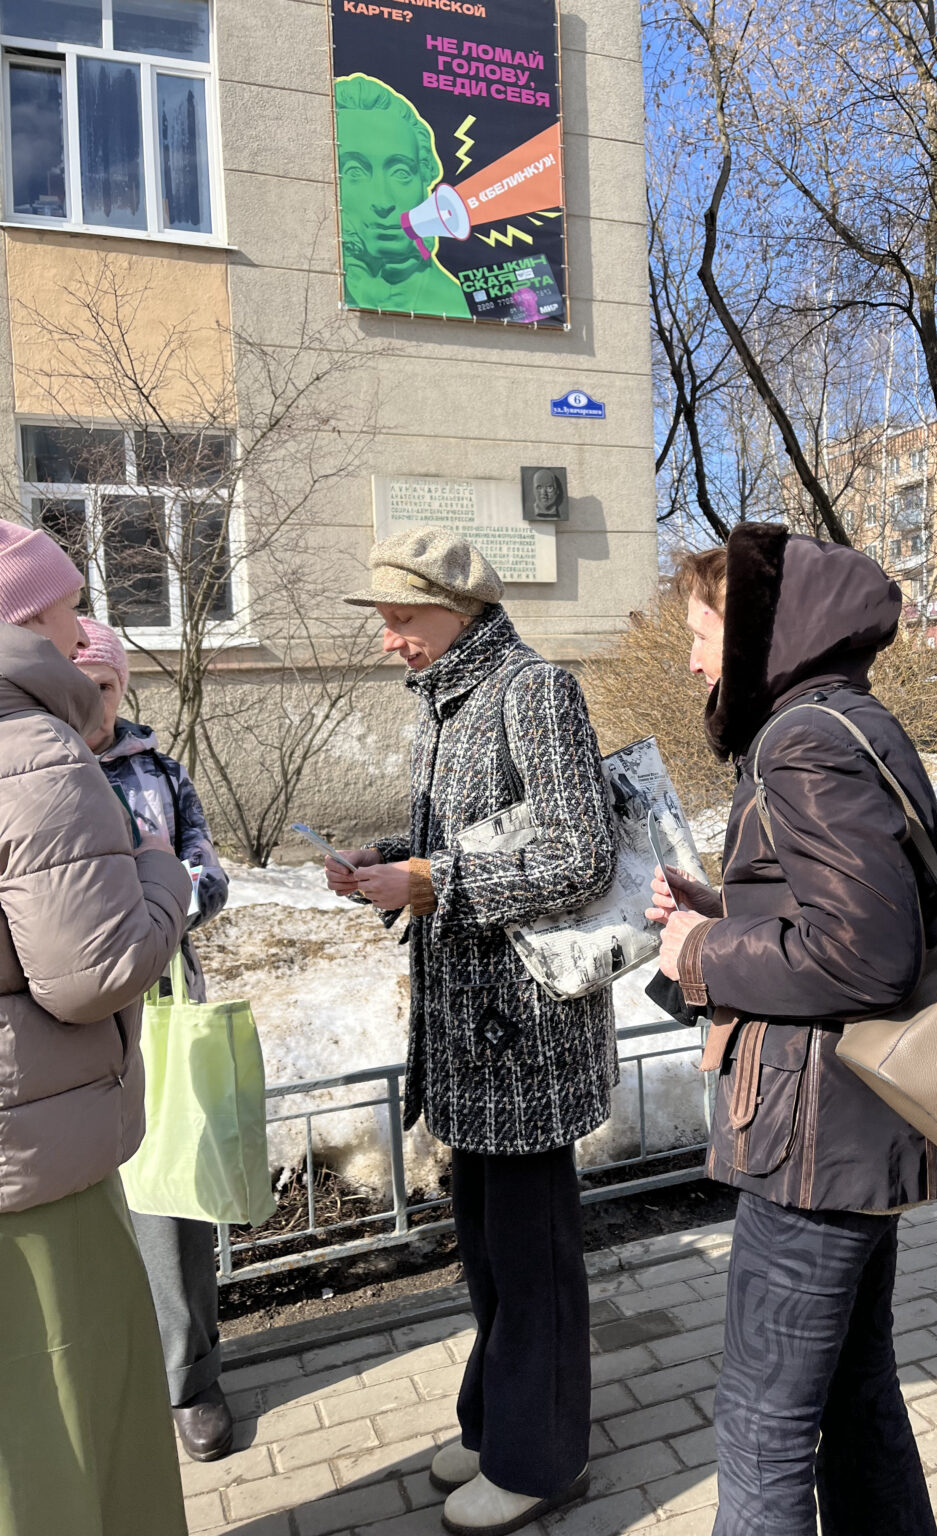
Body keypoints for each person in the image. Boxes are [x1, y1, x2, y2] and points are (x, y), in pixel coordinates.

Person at [647, 525, 937, 1536]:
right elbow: (853, 913)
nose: (692, 660)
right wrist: (723, 908)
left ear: (758, 633)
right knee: (856, 1400)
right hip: (853, 1127)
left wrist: (702, 951)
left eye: (702, 634)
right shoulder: (847, 720)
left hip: (811, 1143)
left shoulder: (801, 741)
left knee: (763, 1431)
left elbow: (865, 953)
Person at [326, 528, 617, 1536]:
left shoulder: (534, 691)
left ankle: (543, 1460)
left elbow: (581, 855)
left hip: (527, 1037)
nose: (388, 638)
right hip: (469, 1035)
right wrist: (386, 861)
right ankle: (496, 1421)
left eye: (401, 617)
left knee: (534, 1261)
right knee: (491, 1253)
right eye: (384, 619)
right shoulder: (447, 701)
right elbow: (473, 837)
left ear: (458, 611)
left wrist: (430, 881)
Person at [0, 522, 192, 1535]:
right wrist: (159, 874)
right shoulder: (32, 748)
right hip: (37, 1164)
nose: (83, 634)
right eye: (71, 607)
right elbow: (95, 971)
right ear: (28, 616)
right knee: (77, 1432)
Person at [73, 617, 234, 1463]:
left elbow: (210, 875)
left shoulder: (160, 773)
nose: (88, 703)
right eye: (73, 685)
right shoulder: (31, 770)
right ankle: (100, 1383)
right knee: (80, 1210)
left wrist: (161, 896)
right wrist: (156, 883)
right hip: (62, 1027)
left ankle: (189, 1382)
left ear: (121, 686)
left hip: (163, 1009)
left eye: (101, 686)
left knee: (171, 1201)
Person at [334, 73, 471, 317]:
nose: (383, 202)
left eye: (401, 172)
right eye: (354, 171)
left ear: (425, 178)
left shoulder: (457, 305)